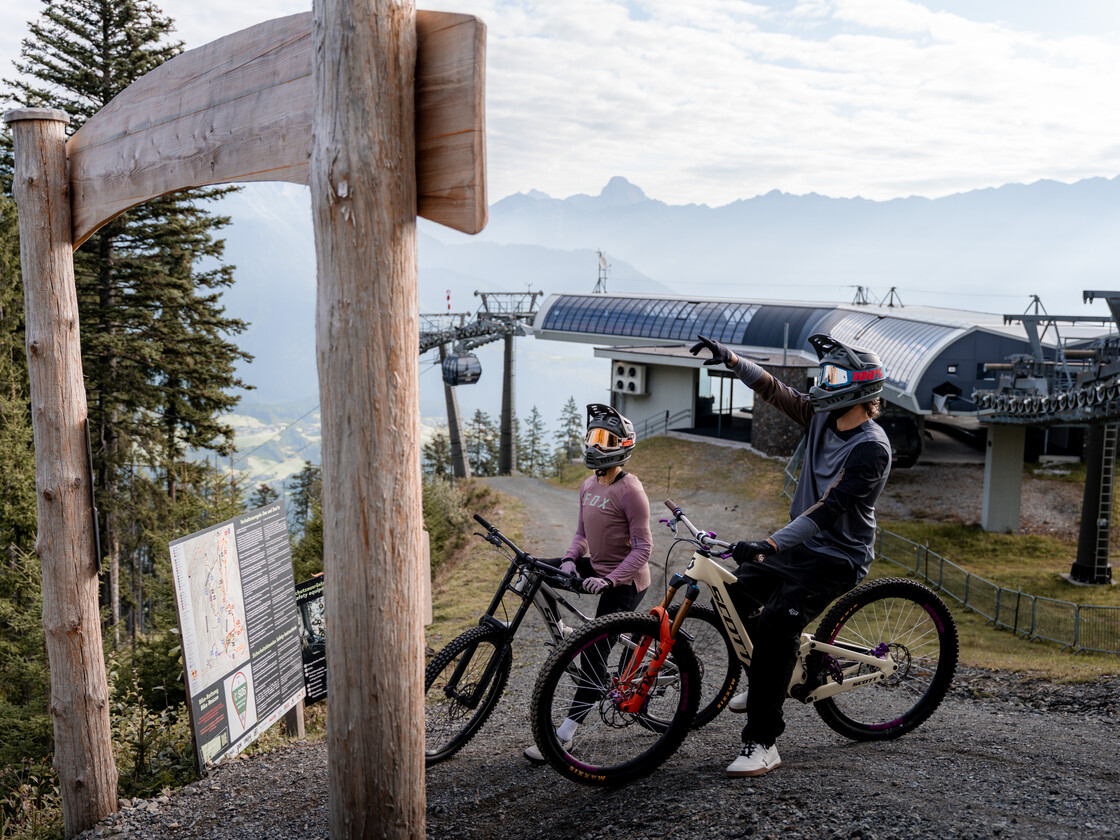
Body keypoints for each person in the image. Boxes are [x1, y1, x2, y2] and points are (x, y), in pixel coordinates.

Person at [689, 332, 891, 778]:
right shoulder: (822, 415)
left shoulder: (870, 449)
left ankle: (763, 741)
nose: (824, 382)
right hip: (800, 546)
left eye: (833, 374)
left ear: (861, 385)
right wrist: (732, 358)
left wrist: (771, 543)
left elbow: (827, 510)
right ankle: (770, 676)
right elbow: (775, 390)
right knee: (734, 596)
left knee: (779, 621)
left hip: (837, 556)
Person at [524, 403, 652, 763]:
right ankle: (563, 630)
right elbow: (581, 533)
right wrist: (568, 558)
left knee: (596, 650)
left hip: (625, 581)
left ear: (622, 445)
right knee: (534, 568)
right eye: (592, 436)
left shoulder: (630, 492)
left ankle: (565, 733)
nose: (595, 445)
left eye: (604, 439)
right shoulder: (588, 484)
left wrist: (611, 580)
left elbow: (645, 549)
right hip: (596, 568)